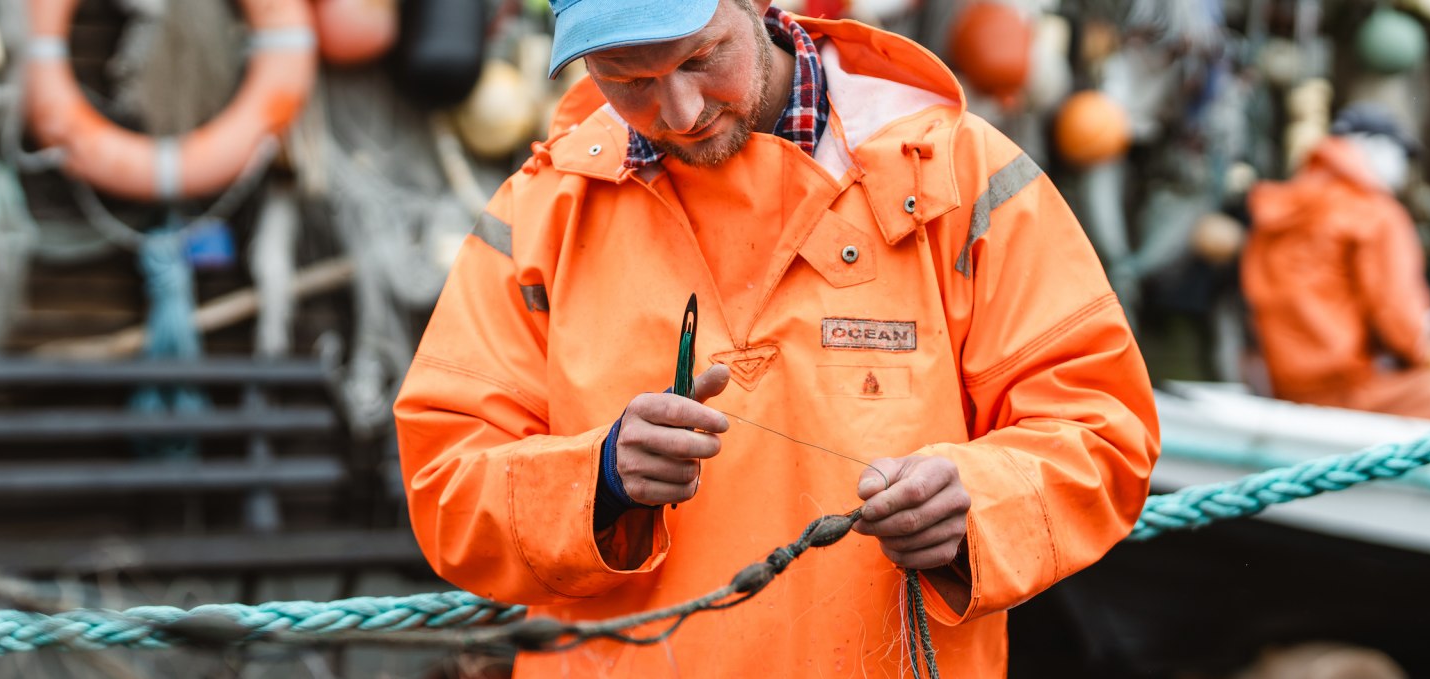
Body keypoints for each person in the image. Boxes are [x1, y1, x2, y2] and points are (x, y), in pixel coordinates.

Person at [393, 0, 1160, 675]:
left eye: (701, 57)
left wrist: (975, 507)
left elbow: (1102, 431)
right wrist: (595, 480)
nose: (682, 110)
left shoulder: (959, 173)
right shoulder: (541, 210)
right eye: (628, 79)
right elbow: (445, 483)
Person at [1242, 103, 1430, 422]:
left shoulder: (1282, 205)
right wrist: (1429, 353)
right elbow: (1402, 325)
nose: (1403, 169)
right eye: (1402, 156)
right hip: (1345, 391)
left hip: (1284, 387)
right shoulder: (1375, 213)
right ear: (1378, 149)